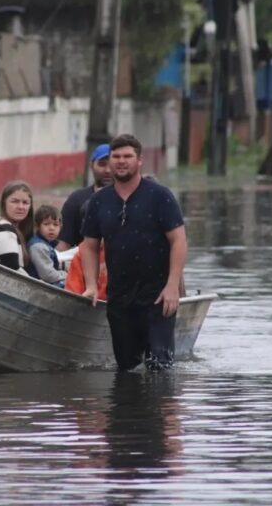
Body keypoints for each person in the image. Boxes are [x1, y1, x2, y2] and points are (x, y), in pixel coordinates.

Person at [80, 134, 187, 372]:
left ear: (139, 161)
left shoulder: (160, 196)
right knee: (127, 367)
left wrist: (172, 286)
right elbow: (89, 245)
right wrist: (91, 285)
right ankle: (129, 409)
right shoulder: (99, 201)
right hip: (119, 295)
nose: (121, 161)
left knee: (160, 367)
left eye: (127, 156)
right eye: (115, 157)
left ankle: (161, 407)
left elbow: (178, 241)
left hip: (158, 294)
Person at [57, 143, 113, 251]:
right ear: (92, 165)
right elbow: (64, 243)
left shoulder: (127, 200)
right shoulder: (76, 200)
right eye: (102, 164)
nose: (107, 171)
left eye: (111, 165)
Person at [0, 180, 34, 275]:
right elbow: (12, 270)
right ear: (4, 203)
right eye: (14, 201)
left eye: (25, 202)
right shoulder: (3, 230)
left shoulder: (11, 228)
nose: (20, 207)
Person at [27, 205, 67, 287]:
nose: (51, 228)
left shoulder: (47, 244)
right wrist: (66, 275)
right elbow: (48, 275)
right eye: (46, 224)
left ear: (60, 227)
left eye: (56, 225)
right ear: (37, 226)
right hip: (38, 287)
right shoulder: (38, 247)